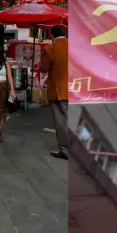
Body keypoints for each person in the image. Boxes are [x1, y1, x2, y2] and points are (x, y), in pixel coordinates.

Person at [40, 25, 69, 160]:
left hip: (59, 90)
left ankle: (65, 150)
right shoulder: (75, 46)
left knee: (62, 121)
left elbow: (43, 68)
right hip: (76, 88)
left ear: (51, 35)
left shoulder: (50, 48)